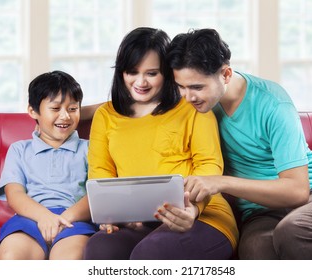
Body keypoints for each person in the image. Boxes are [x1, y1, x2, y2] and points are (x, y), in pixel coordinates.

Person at [166, 28, 312, 260]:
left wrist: (220, 182)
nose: (187, 97)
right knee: (255, 251)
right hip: (259, 212)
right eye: (180, 87)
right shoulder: (195, 106)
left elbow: (297, 191)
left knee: (294, 231)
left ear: (226, 74)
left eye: (197, 87)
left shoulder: (273, 103)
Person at [83, 27, 238, 260]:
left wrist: (192, 209)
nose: (140, 82)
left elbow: (208, 166)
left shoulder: (193, 106)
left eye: (152, 73)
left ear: (167, 73)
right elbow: (101, 172)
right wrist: (112, 214)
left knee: (151, 253)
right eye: (132, 72)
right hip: (137, 221)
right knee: (100, 249)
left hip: (202, 216)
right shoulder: (106, 115)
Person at [0, 70, 97, 260]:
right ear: (33, 111)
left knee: (71, 260)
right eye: (55, 109)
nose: (65, 117)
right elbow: (15, 195)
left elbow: (95, 194)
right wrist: (45, 217)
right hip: (29, 220)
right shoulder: (20, 149)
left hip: (74, 221)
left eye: (72, 109)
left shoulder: (89, 149)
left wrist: (64, 218)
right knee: (10, 257)